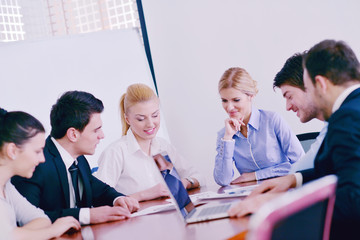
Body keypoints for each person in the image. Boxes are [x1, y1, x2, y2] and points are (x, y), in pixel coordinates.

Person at [229, 40, 360, 239]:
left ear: (321, 85)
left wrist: (277, 206)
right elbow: (337, 173)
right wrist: (293, 180)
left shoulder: (346, 117)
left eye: (308, 88)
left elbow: (353, 199)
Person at [12, 91, 139, 226]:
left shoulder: (79, 160)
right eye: (96, 130)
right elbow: (26, 220)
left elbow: (95, 187)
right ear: (73, 134)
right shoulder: (35, 164)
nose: (102, 135)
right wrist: (86, 215)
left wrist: (117, 198)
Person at [95, 83, 204, 202]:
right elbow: (99, 200)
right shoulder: (116, 152)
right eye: (141, 119)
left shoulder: (163, 146)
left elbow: (199, 177)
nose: (151, 124)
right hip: (135, 219)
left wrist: (186, 183)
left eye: (155, 115)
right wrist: (145, 194)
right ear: (127, 119)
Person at [214, 67, 304, 186]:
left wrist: (255, 175)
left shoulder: (272, 120)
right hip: (252, 197)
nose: (229, 107)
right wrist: (228, 139)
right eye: (224, 101)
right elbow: (222, 180)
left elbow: (301, 162)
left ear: (251, 96)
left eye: (236, 100)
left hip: (284, 191)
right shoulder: (224, 135)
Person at [0, 108, 81, 239]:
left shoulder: (6, 187)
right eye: (37, 151)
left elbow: (42, 219)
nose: (42, 159)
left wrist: (14, 234)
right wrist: (53, 231)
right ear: (12, 151)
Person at [273, 52, 328, 172]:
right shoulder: (330, 125)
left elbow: (305, 167)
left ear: (311, 86)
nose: (287, 107)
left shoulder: (344, 119)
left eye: (289, 96)